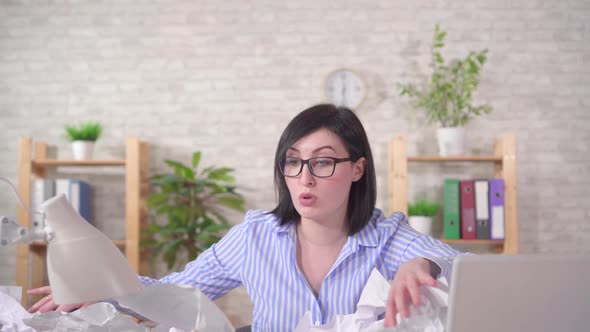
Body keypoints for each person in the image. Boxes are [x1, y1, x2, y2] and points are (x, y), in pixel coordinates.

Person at [28, 104, 464, 331]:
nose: (304, 177)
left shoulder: (386, 236)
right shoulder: (257, 236)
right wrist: (104, 290)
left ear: (358, 168)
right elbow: (175, 292)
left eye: (323, 162)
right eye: (292, 162)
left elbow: (464, 269)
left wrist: (421, 264)